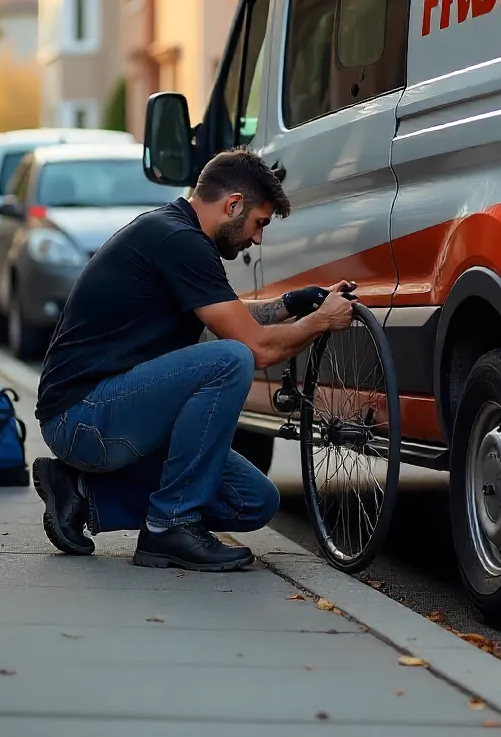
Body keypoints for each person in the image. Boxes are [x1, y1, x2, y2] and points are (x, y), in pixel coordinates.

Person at [31, 148, 356, 572]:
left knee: (254, 502)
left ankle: (79, 492)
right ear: (233, 204)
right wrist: (321, 324)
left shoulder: (175, 232)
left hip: (108, 411)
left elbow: (229, 314)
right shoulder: (178, 240)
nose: (256, 239)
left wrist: (294, 304)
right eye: (259, 224)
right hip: (81, 416)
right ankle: (171, 525)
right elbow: (254, 348)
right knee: (232, 360)